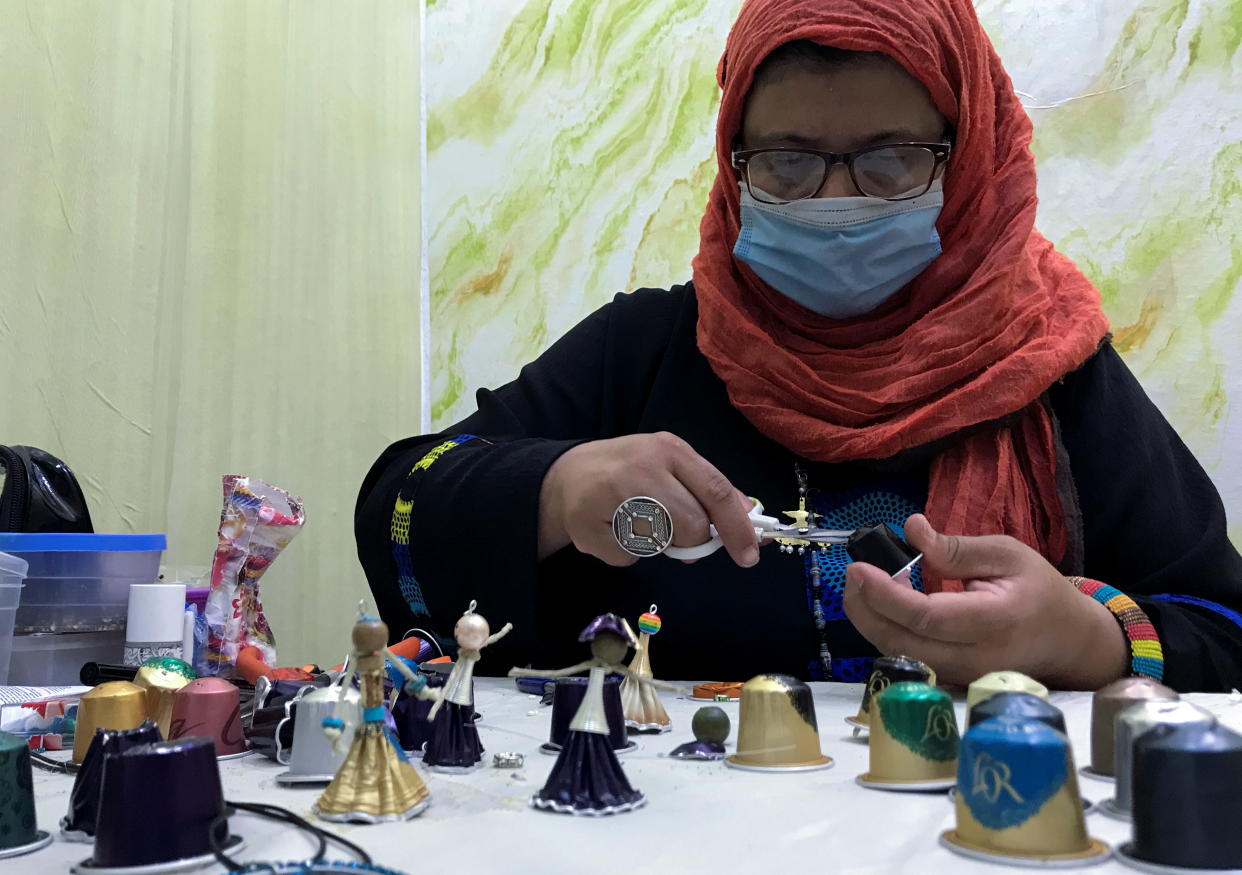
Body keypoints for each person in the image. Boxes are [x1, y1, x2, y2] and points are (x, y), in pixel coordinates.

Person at [356, 0, 1242, 692]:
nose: (837, 198)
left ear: (968, 156)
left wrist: (1091, 639)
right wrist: (555, 488)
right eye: (787, 159)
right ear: (733, 160)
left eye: (892, 158)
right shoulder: (651, 347)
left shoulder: (1047, 367)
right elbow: (400, 503)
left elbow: (1223, 629)